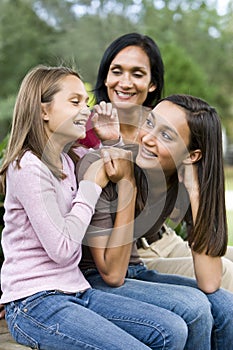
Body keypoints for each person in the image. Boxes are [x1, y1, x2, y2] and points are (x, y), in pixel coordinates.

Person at [0, 65, 190, 350]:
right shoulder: (28, 166)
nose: (85, 111)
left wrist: (110, 139)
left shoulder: (68, 158)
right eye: (74, 102)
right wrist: (90, 186)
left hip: (75, 290)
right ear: (43, 111)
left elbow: (118, 168)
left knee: (171, 329)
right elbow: (63, 251)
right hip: (34, 303)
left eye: (85, 103)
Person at [79, 31, 233, 291]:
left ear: (152, 83)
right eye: (116, 71)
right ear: (105, 77)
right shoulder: (83, 130)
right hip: (126, 253)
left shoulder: (166, 121)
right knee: (228, 277)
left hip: (164, 240)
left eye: (137, 74)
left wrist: (194, 190)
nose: (125, 83)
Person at [76, 94, 233, 350]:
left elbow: (210, 282)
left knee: (227, 307)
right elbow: (111, 275)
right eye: (149, 123)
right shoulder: (106, 165)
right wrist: (128, 184)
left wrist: (195, 193)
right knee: (194, 309)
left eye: (167, 136)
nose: (148, 138)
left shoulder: (176, 179)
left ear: (192, 156)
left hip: (134, 273)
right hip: (91, 278)